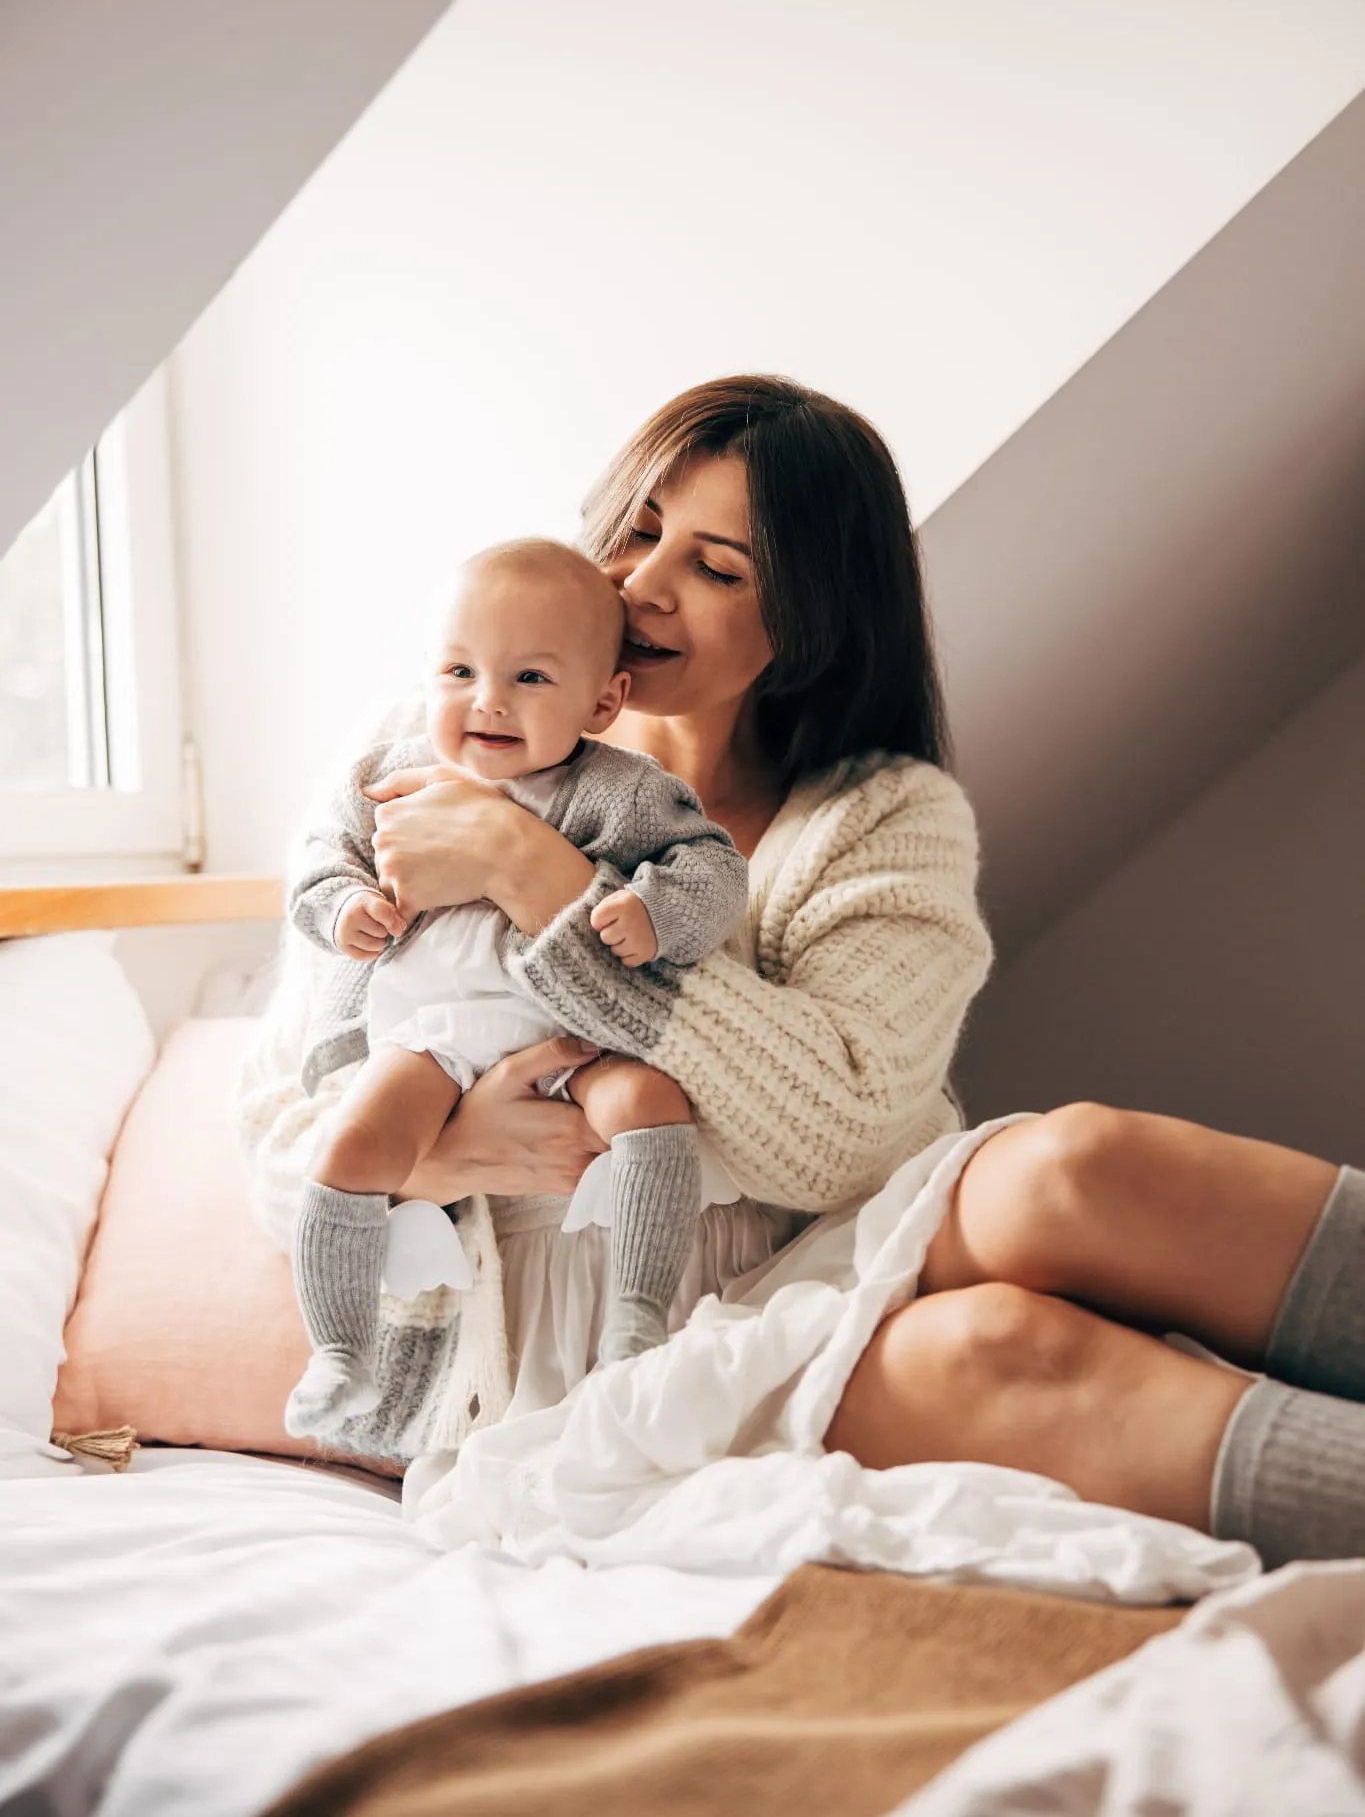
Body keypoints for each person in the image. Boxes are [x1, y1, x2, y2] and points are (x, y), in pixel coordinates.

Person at [238, 373, 1364, 1569]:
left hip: (841, 1233)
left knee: (1077, 1166)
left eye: (718, 569)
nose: (641, 585)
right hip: (612, 1351)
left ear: (810, 619)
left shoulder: (884, 818)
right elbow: (274, 1128)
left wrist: (542, 879)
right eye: (636, 529)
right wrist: (439, 1153)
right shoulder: (419, 756)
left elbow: (836, 1132)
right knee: (992, 1350)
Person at [280, 538, 749, 1440]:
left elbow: (713, 871)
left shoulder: (620, 791)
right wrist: (342, 908)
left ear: (602, 700)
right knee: (351, 1145)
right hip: (431, 1038)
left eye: (530, 677)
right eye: (459, 669)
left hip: (576, 1032)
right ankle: (339, 1351)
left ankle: (636, 1314)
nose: (486, 698)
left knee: (651, 1106)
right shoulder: (384, 776)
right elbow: (318, 864)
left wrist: (654, 911)